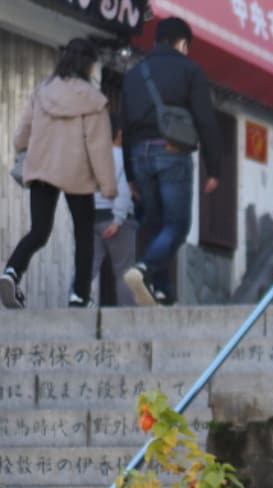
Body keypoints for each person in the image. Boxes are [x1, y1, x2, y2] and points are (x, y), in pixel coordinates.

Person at [1, 37, 117, 309]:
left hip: (41, 169)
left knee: (39, 231)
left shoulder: (43, 91)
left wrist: (23, 150)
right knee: (84, 235)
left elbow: (21, 135)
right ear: (89, 65)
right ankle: (79, 296)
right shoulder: (94, 101)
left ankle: (12, 272)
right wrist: (108, 186)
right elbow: (98, 147)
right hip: (77, 174)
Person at [119, 15, 224, 306]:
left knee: (154, 222)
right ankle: (144, 268)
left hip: (140, 155)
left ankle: (162, 290)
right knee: (177, 225)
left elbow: (125, 128)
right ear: (181, 42)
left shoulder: (134, 74)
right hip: (172, 152)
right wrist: (214, 168)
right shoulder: (191, 71)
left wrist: (129, 173)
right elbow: (205, 120)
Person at [91, 111, 137, 304]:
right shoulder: (123, 157)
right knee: (124, 272)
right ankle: (126, 319)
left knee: (87, 267)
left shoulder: (92, 157)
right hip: (116, 219)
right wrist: (118, 220)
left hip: (92, 218)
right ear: (119, 133)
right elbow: (125, 190)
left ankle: (74, 304)